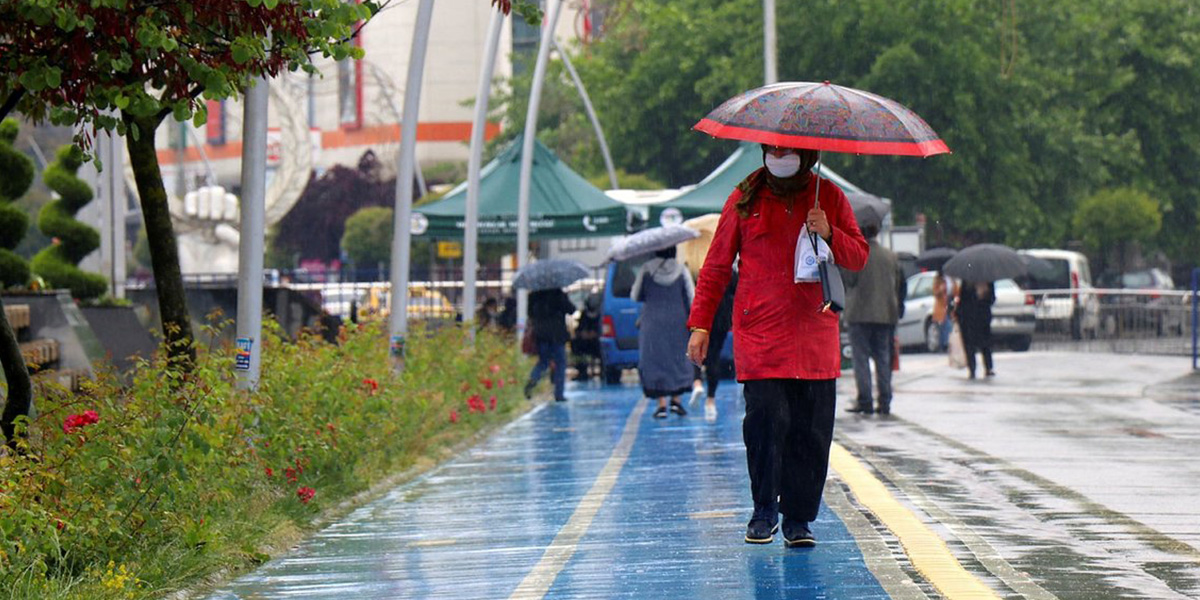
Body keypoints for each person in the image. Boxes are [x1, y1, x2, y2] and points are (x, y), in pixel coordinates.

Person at [686, 144, 868, 548]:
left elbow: (857, 257)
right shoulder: (744, 197)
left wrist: (830, 232)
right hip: (761, 336)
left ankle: (799, 519)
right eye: (772, 148)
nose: (779, 155)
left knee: (810, 432)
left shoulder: (829, 197)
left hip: (814, 338)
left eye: (788, 150)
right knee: (766, 422)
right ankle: (764, 508)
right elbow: (716, 266)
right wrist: (700, 324)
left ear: (807, 155)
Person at [842, 223, 906, 415]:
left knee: (860, 359)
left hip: (859, 314)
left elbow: (849, 280)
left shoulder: (857, 253)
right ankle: (885, 401)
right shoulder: (890, 256)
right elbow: (900, 285)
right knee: (883, 358)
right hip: (885, 315)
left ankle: (865, 401)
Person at [633, 246, 695, 419]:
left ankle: (661, 405)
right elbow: (692, 296)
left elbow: (636, 295)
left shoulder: (646, 269)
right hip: (677, 320)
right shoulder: (682, 269)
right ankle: (677, 401)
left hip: (652, 321)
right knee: (677, 359)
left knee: (656, 358)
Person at [689, 271, 738, 421]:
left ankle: (697, 381)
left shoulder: (695, 270)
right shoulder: (729, 272)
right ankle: (711, 399)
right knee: (714, 356)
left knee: (696, 350)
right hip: (721, 317)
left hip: (702, 316)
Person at [524, 288, 576, 402]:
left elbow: (530, 314)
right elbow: (571, 309)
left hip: (541, 335)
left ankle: (533, 380)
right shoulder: (558, 293)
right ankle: (559, 393)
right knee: (560, 363)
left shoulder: (534, 294)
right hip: (557, 334)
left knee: (543, 362)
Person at [954, 280, 996, 380]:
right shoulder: (966, 282)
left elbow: (992, 299)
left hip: (982, 317)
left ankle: (988, 368)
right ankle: (972, 369)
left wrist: (984, 295)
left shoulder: (988, 281)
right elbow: (962, 300)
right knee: (969, 345)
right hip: (968, 318)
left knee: (985, 344)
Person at [571, 291, 602, 381]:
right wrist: (581, 333)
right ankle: (582, 371)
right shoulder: (584, 314)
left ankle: (604, 371)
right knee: (576, 345)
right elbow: (579, 328)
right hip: (585, 343)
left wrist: (594, 334)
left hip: (597, 343)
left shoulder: (602, 314)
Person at [932, 270, 955, 351]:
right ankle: (943, 345)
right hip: (941, 305)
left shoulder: (952, 278)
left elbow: (955, 290)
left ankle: (946, 344)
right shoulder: (938, 279)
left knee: (948, 325)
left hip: (950, 303)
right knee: (943, 325)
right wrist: (940, 290)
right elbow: (935, 292)